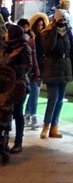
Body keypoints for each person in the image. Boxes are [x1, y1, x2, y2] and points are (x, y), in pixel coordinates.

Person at [40, 8, 73, 138]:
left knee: (60, 100)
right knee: (53, 98)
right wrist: (54, 31)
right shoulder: (46, 33)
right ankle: (46, 126)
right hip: (51, 69)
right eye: (60, 20)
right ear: (55, 20)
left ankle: (54, 127)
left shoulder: (68, 32)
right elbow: (49, 48)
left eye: (64, 20)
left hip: (65, 69)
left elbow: (72, 51)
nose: (63, 22)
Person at [2, 23, 32, 154]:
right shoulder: (5, 47)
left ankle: (18, 142)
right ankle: (4, 139)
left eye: (8, 33)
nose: (6, 34)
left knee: (18, 112)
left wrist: (12, 71)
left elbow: (28, 66)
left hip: (19, 85)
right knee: (4, 112)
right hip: (5, 85)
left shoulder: (24, 47)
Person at [26, 12, 48, 130]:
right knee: (35, 93)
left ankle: (27, 114)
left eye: (42, 25)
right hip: (33, 70)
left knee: (34, 93)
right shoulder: (31, 38)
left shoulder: (42, 38)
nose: (40, 27)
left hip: (39, 68)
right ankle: (33, 116)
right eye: (38, 25)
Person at [18, 18, 40, 130]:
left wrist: (36, 71)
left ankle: (31, 115)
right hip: (21, 74)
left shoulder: (31, 39)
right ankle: (27, 115)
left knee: (34, 93)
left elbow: (34, 58)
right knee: (21, 98)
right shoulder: (16, 41)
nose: (25, 29)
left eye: (27, 26)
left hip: (30, 72)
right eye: (23, 27)